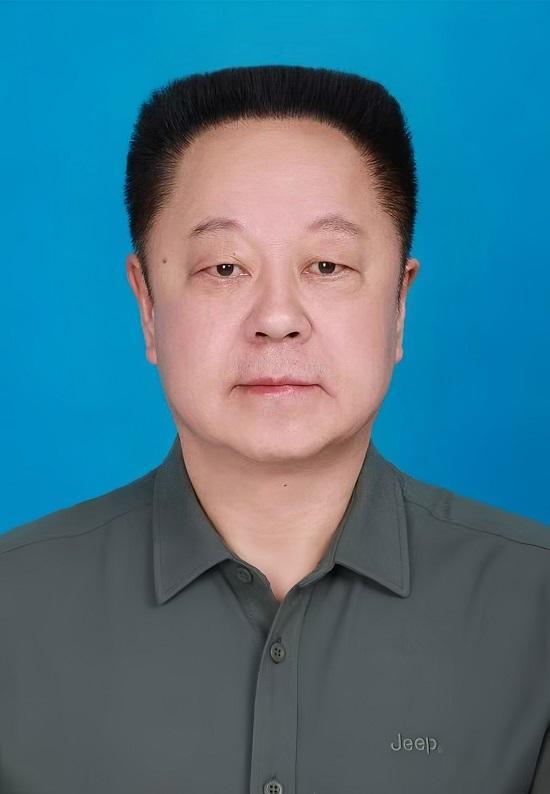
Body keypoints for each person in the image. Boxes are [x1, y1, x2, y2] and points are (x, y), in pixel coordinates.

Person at [1, 64, 549, 794]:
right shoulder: (13, 611)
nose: (278, 318)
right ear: (147, 306)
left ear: (399, 306)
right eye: (225, 268)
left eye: (327, 264)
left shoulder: (534, 610)